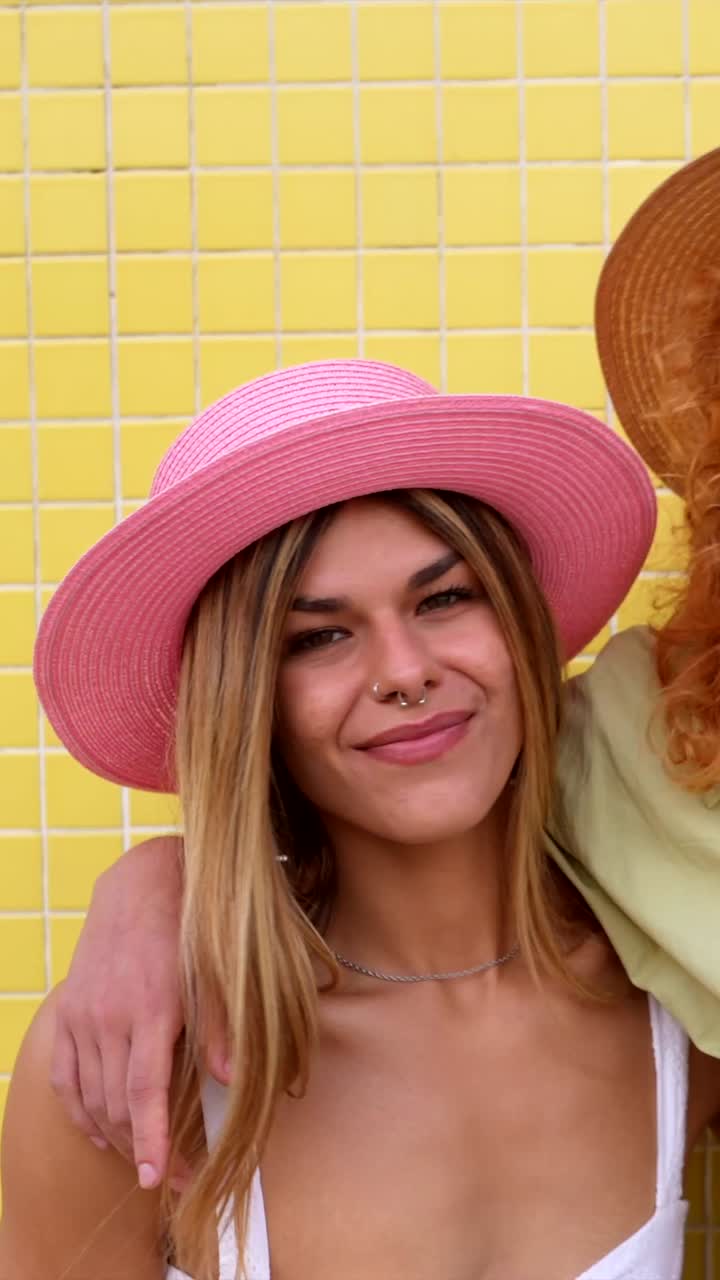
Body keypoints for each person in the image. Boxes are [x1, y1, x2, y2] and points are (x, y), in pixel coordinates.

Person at [3, 145, 720, 1278]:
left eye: (445, 598)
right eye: (318, 636)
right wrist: (158, 875)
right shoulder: (130, 1072)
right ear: (247, 706)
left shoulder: (674, 1005)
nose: (403, 669)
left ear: (522, 626)